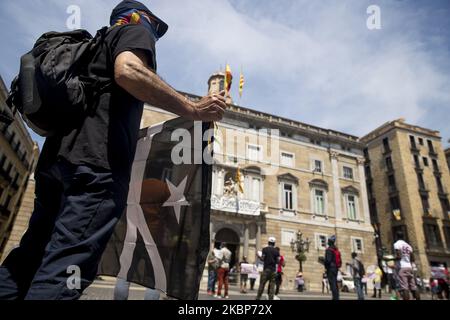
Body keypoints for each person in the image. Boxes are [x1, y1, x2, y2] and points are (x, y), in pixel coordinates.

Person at [0, 0, 226, 300]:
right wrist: (193, 109)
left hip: (56, 163)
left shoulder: (91, 48)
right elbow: (129, 71)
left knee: (28, 258)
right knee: (66, 268)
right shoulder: (133, 30)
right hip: (95, 168)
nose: (153, 36)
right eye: (153, 27)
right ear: (134, 17)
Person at [393, 232, 418, 300]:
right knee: (413, 287)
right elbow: (412, 258)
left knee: (404, 287)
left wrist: (392, 258)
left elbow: (399, 256)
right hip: (409, 267)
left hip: (402, 267)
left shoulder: (397, 244)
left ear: (396, 236)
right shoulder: (408, 245)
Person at [324, 235, 341, 300]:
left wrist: (323, 260)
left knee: (332, 283)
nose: (327, 242)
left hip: (330, 268)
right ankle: (336, 297)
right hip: (335, 268)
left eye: (328, 241)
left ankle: (335, 298)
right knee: (335, 283)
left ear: (330, 242)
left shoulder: (329, 250)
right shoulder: (335, 249)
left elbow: (328, 260)